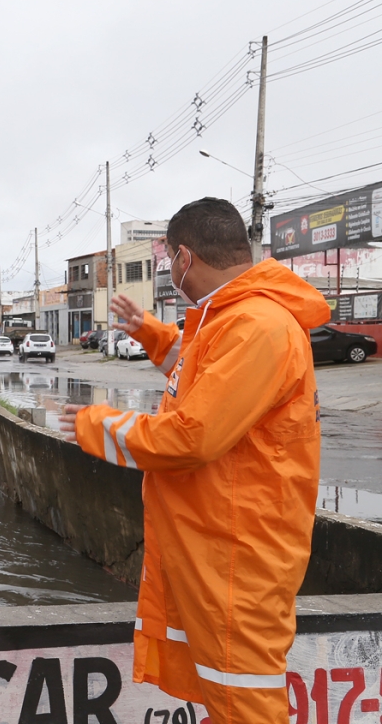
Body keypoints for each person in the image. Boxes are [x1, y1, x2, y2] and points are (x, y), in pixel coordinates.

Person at [59, 197, 329, 724]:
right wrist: (151, 334)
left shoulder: (257, 327)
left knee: (244, 701)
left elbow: (193, 436)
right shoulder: (233, 321)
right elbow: (202, 379)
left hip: (238, 557)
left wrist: (97, 424)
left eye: (166, 261)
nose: (168, 271)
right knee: (226, 695)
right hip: (218, 546)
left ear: (185, 258)